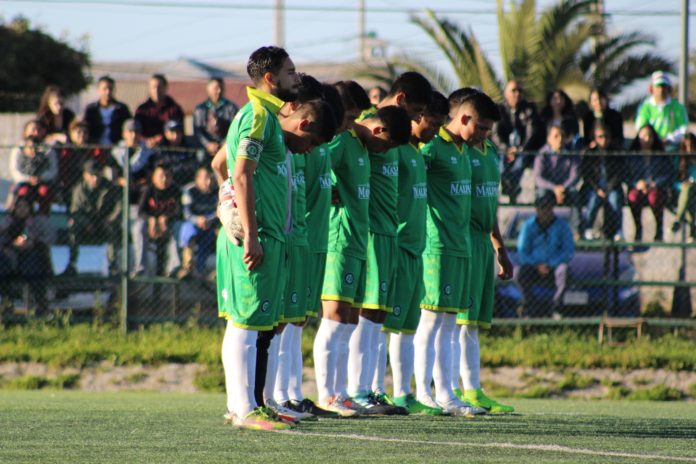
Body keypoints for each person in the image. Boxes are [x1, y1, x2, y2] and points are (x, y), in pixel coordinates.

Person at [216, 46, 300, 431]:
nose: (295, 78)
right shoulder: (256, 117)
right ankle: (244, 409)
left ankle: (246, 405)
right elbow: (242, 174)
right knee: (246, 324)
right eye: (290, 71)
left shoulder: (266, 116)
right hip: (259, 234)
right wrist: (250, 233)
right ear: (271, 78)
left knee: (251, 324)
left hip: (269, 234)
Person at [313, 95, 411, 417]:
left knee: (350, 321)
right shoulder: (344, 141)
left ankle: (344, 393)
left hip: (359, 239)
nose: (385, 153)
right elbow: (315, 166)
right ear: (379, 129)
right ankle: (328, 395)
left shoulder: (360, 145)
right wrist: (329, 190)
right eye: (387, 145)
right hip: (342, 239)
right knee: (335, 320)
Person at [347, 72, 432, 415]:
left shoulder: (398, 141)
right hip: (366, 236)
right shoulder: (361, 130)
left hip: (389, 239)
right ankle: (355, 390)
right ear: (399, 101)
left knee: (376, 318)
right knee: (360, 315)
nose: (416, 123)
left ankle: (370, 389)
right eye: (415, 114)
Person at [413, 90, 501, 417]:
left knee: (450, 324)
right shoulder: (433, 149)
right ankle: (422, 392)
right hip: (437, 248)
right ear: (463, 118)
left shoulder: (464, 151)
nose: (483, 137)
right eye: (480, 128)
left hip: (461, 247)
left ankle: (447, 394)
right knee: (431, 320)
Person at [275, 77, 345, 418]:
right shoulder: (288, 144)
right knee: (283, 321)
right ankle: (279, 394)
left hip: (315, 241)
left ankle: (292, 393)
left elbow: (313, 190)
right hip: (293, 240)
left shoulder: (316, 150)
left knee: (298, 321)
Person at [380, 91, 449, 415]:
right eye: (431, 122)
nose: (435, 130)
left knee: (407, 326)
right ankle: (375, 389)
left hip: (414, 249)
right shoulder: (396, 152)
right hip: (395, 245)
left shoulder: (417, 153)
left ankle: (404, 393)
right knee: (380, 324)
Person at [453, 89, 515, 414]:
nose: (484, 134)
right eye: (481, 127)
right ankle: (450, 388)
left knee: (473, 322)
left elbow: (490, 205)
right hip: (457, 241)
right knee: (454, 320)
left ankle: (473, 389)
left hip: (481, 243)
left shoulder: (490, 153)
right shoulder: (458, 153)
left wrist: (499, 247)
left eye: (489, 129)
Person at [516, 192, 575, 317]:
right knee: (519, 272)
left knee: (564, 271)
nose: (545, 212)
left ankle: (556, 307)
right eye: (542, 208)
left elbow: (568, 251)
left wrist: (550, 264)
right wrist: (537, 265)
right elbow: (522, 251)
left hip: (554, 267)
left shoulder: (562, 226)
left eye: (548, 208)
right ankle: (530, 305)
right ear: (537, 209)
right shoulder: (528, 226)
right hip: (534, 267)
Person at [61, 160, 122, 277]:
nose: (95, 178)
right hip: (85, 226)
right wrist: (86, 223)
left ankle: (113, 265)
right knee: (74, 227)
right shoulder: (79, 190)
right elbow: (75, 211)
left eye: (97, 174)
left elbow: (118, 207)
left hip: (105, 223)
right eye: (92, 175)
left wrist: (110, 219)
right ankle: (72, 264)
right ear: (85, 175)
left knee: (113, 228)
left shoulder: (110, 188)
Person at [0, 197, 55, 318]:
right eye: (19, 207)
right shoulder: (6, 223)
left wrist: (32, 244)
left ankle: (41, 306)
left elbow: (48, 238)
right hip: (11, 259)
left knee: (34, 265)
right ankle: (7, 305)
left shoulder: (38, 222)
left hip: (32, 257)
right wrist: (12, 243)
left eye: (25, 207)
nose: (22, 210)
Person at [492, 80, 545, 203]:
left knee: (519, 163)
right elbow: (495, 134)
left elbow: (531, 132)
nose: (517, 94)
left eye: (519, 91)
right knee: (501, 166)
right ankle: (510, 188)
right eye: (513, 90)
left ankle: (511, 189)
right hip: (504, 150)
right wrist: (506, 150)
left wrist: (520, 149)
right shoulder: (499, 109)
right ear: (506, 94)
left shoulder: (529, 109)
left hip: (524, 150)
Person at [625, 124, 675, 242]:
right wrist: (636, 184)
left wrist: (654, 183)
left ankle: (659, 229)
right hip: (638, 188)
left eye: (649, 136)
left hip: (656, 188)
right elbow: (624, 175)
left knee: (654, 197)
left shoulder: (660, 155)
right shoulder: (632, 156)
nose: (646, 139)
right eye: (643, 136)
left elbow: (669, 174)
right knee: (633, 196)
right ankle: (638, 228)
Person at [131, 163, 182, 277]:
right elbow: (141, 211)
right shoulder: (148, 190)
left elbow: (179, 212)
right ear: (153, 177)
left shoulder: (175, 190)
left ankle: (173, 268)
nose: (164, 179)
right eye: (161, 176)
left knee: (178, 226)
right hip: (150, 227)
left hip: (168, 226)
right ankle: (140, 267)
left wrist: (166, 218)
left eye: (167, 176)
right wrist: (151, 219)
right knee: (138, 227)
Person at [533, 122, 583, 236]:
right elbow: (538, 178)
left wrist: (562, 188)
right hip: (549, 189)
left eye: (562, 136)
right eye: (556, 136)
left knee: (575, 194)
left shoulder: (571, 153)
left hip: (565, 189)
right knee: (541, 194)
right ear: (549, 139)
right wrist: (554, 188)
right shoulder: (542, 154)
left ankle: (576, 231)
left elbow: (575, 176)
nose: (559, 139)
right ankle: (542, 229)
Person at [581, 122, 625, 240]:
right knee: (592, 201)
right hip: (595, 187)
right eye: (600, 137)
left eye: (606, 136)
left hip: (612, 187)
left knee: (615, 200)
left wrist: (608, 188)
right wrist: (597, 189)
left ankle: (619, 231)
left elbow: (619, 173)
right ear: (595, 138)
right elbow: (587, 175)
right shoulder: (590, 153)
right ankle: (588, 228)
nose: (604, 140)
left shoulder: (615, 152)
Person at [176, 166, 218, 280]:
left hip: (210, 224)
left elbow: (218, 211)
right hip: (193, 223)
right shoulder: (189, 190)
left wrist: (208, 219)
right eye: (205, 178)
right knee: (188, 229)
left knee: (216, 233)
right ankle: (187, 267)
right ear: (197, 179)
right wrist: (198, 220)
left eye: (210, 178)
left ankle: (205, 269)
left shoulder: (217, 191)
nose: (208, 182)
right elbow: (186, 214)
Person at [9, 120, 58, 215]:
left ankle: (43, 219)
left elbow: (53, 170)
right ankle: (22, 218)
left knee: (45, 192)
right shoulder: (19, 149)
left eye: (38, 130)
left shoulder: (48, 150)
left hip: (42, 181)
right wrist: (28, 179)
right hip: (23, 182)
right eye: (32, 129)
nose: (35, 133)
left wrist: (41, 177)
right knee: (23, 193)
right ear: (25, 132)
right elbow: (14, 171)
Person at [635, 71, 688, 149]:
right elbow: (640, 127)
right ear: (651, 88)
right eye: (658, 86)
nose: (661, 90)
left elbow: (683, 128)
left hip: (672, 148)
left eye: (663, 86)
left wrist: (669, 139)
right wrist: (655, 140)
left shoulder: (678, 107)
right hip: (652, 149)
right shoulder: (645, 107)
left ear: (669, 88)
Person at [110, 118, 157, 201]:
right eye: (130, 132)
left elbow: (150, 173)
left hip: (141, 187)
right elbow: (115, 176)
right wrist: (125, 182)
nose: (134, 135)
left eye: (137, 132)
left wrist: (138, 182)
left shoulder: (148, 151)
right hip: (122, 187)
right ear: (124, 134)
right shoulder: (116, 152)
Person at [193, 77, 239, 159]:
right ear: (208, 89)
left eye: (221, 88)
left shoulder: (231, 108)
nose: (219, 91)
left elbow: (235, 129)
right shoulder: (200, 109)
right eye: (216, 88)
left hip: (226, 146)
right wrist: (208, 144)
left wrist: (223, 144)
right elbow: (198, 131)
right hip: (206, 147)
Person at [134, 74, 184, 148]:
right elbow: (136, 130)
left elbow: (179, 132)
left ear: (165, 88)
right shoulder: (142, 110)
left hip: (168, 149)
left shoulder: (174, 109)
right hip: (145, 148)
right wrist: (147, 141)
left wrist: (162, 138)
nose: (156, 90)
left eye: (159, 87)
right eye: (153, 87)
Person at [83, 75, 132, 146]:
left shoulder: (122, 109)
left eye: (110, 89)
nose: (108, 92)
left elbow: (129, 126)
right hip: (95, 148)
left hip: (117, 148)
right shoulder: (91, 109)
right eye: (104, 89)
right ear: (98, 90)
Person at [154, 119, 203, 187]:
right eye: (172, 132)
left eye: (178, 132)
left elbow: (193, 165)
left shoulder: (188, 145)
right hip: (169, 184)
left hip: (190, 182)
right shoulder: (161, 148)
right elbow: (161, 167)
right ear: (166, 133)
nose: (176, 136)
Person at [672, 133, 696, 240]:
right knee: (687, 191)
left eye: (692, 146)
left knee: (689, 190)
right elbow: (673, 182)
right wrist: (680, 185)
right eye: (687, 146)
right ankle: (692, 231)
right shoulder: (679, 162)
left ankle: (678, 220)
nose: (689, 149)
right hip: (684, 193)